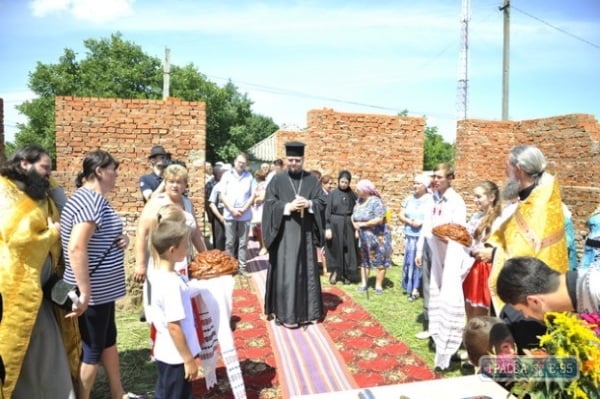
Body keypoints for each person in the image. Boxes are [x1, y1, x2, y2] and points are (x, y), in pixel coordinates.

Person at [0, 145, 79, 398]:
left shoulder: (41, 194)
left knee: (48, 356)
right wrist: (52, 233)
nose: (49, 175)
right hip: (16, 293)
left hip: (45, 289)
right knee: (22, 355)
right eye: (45, 168)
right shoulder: (4, 191)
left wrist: (55, 190)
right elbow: (17, 237)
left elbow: (66, 218)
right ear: (24, 163)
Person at [60, 150, 138, 399]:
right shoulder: (91, 200)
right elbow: (77, 246)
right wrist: (85, 292)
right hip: (93, 292)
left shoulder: (87, 198)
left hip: (102, 291)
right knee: (92, 351)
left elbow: (97, 236)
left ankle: (118, 392)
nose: (117, 175)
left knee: (108, 340)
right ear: (99, 172)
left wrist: (121, 237)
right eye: (113, 170)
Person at [477, 145, 569, 352]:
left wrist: (492, 253)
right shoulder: (533, 198)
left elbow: (525, 254)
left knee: (518, 354)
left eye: (506, 167)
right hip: (522, 290)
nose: (504, 173)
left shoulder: (538, 206)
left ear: (518, 169)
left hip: (529, 300)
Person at [262, 141, 325, 328]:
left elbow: (322, 201)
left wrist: (309, 204)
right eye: (291, 160)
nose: (294, 163)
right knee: (288, 274)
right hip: (284, 236)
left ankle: (307, 313)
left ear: (303, 159)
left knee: (306, 274)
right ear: (286, 159)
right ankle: (286, 314)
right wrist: (287, 207)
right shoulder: (277, 179)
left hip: (305, 235)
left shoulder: (311, 180)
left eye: (298, 160)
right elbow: (269, 203)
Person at [414, 163, 469, 369]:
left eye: (439, 177)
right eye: (433, 176)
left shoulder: (456, 201)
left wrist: (444, 235)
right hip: (431, 251)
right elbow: (426, 225)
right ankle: (434, 327)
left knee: (448, 296)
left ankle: (452, 339)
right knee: (430, 290)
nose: (435, 180)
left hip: (450, 257)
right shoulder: (432, 199)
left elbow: (460, 233)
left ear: (450, 178)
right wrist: (420, 250)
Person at [134, 163, 208, 317]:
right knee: (161, 306)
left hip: (183, 260)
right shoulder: (156, 203)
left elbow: (195, 234)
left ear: (185, 184)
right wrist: (140, 264)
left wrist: (206, 257)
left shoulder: (187, 203)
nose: (175, 185)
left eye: (179, 182)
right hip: (160, 263)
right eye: (171, 181)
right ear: (165, 183)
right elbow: (142, 232)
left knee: (181, 302)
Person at [147, 205, 202, 399]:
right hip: (176, 357)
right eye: (186, 245)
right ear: (172, 250)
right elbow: (174, 327)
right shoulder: (170, 284)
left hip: (170, 353)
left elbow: (185, 291)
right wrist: (188, 359)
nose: (188, 250)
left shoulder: (164, 275)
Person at [496, 256, 600, 318]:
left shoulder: (595, 290)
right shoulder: (585, 291)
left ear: (534, 301)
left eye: (521, 311)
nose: (526, 316)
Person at [463, 180, 502, 319]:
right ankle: (470, 337)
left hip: (486, 268)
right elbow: (468, 240)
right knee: (469, 309)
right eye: (474, 196)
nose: (475, 200)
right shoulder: (476, 216)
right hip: (472, 265)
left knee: (481, 313)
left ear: (491, 197)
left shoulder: (499, 220)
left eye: (479, 197)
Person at [352, 179, 392, 294]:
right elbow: (353, 215)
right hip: (364, 236)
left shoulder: (376, 202)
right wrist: (355, 226)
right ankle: (364, 283)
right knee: (364, 260)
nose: (356, 191)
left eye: (358, 189)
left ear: (365, 190)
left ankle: (378, 286)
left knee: (380, 260)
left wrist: (362, 224)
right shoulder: (358, 201)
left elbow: (379, 220)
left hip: (378, 237)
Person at [219, 153, 256, 275]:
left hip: (244, 215)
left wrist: (244, 209)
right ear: (235, 162)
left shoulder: (249, 177)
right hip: (230, 214)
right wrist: (232, 209)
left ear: (246, 164)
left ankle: (242, 267)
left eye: (243, 163)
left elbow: (252, 195)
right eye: (239, 162)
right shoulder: (226, 176)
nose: (241, 164)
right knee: (229, 242)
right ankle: (229, 267)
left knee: (243, 243)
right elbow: (222, 195)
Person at [398, 173, 432, 301]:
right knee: (409, 261)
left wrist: (422, 223)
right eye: (414, 183)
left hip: (423, 236)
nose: (415, 186)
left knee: (419, 261)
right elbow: (400, 214)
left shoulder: (431, 199)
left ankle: (417, 288)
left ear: (425, 185)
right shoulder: (409, 199)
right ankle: (409, 285)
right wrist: (409, 221)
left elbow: (433, 217)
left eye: (418, 183)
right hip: (410, 234)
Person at [324, 170, 359, 285]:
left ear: (349, 183)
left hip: (348, 224)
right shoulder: (332, 194)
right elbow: (327, 211)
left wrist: (357, 226)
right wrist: (328, 227)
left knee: (347, 248)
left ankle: (346, 274)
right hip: (335, 224)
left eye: (346, 182)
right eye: (342, 182)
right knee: (335, 248)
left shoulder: (352, 195)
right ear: (338, 181)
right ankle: (335, 272)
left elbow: (357, 210)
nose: (344, 184)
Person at [207, 164, 227, 251]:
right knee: (219, 239)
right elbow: (211, 203)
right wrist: (220, 217)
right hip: (219, 212)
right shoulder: (217, 186)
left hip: (231, 214)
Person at [251, 168, 268, 255]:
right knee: (258, 229)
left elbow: (263, 198)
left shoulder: (264, 185)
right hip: (257, 209)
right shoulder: (258, 185)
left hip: (262, 209)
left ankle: (265, 247)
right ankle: (261, 245)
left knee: (262, 229)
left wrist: (255, 199)